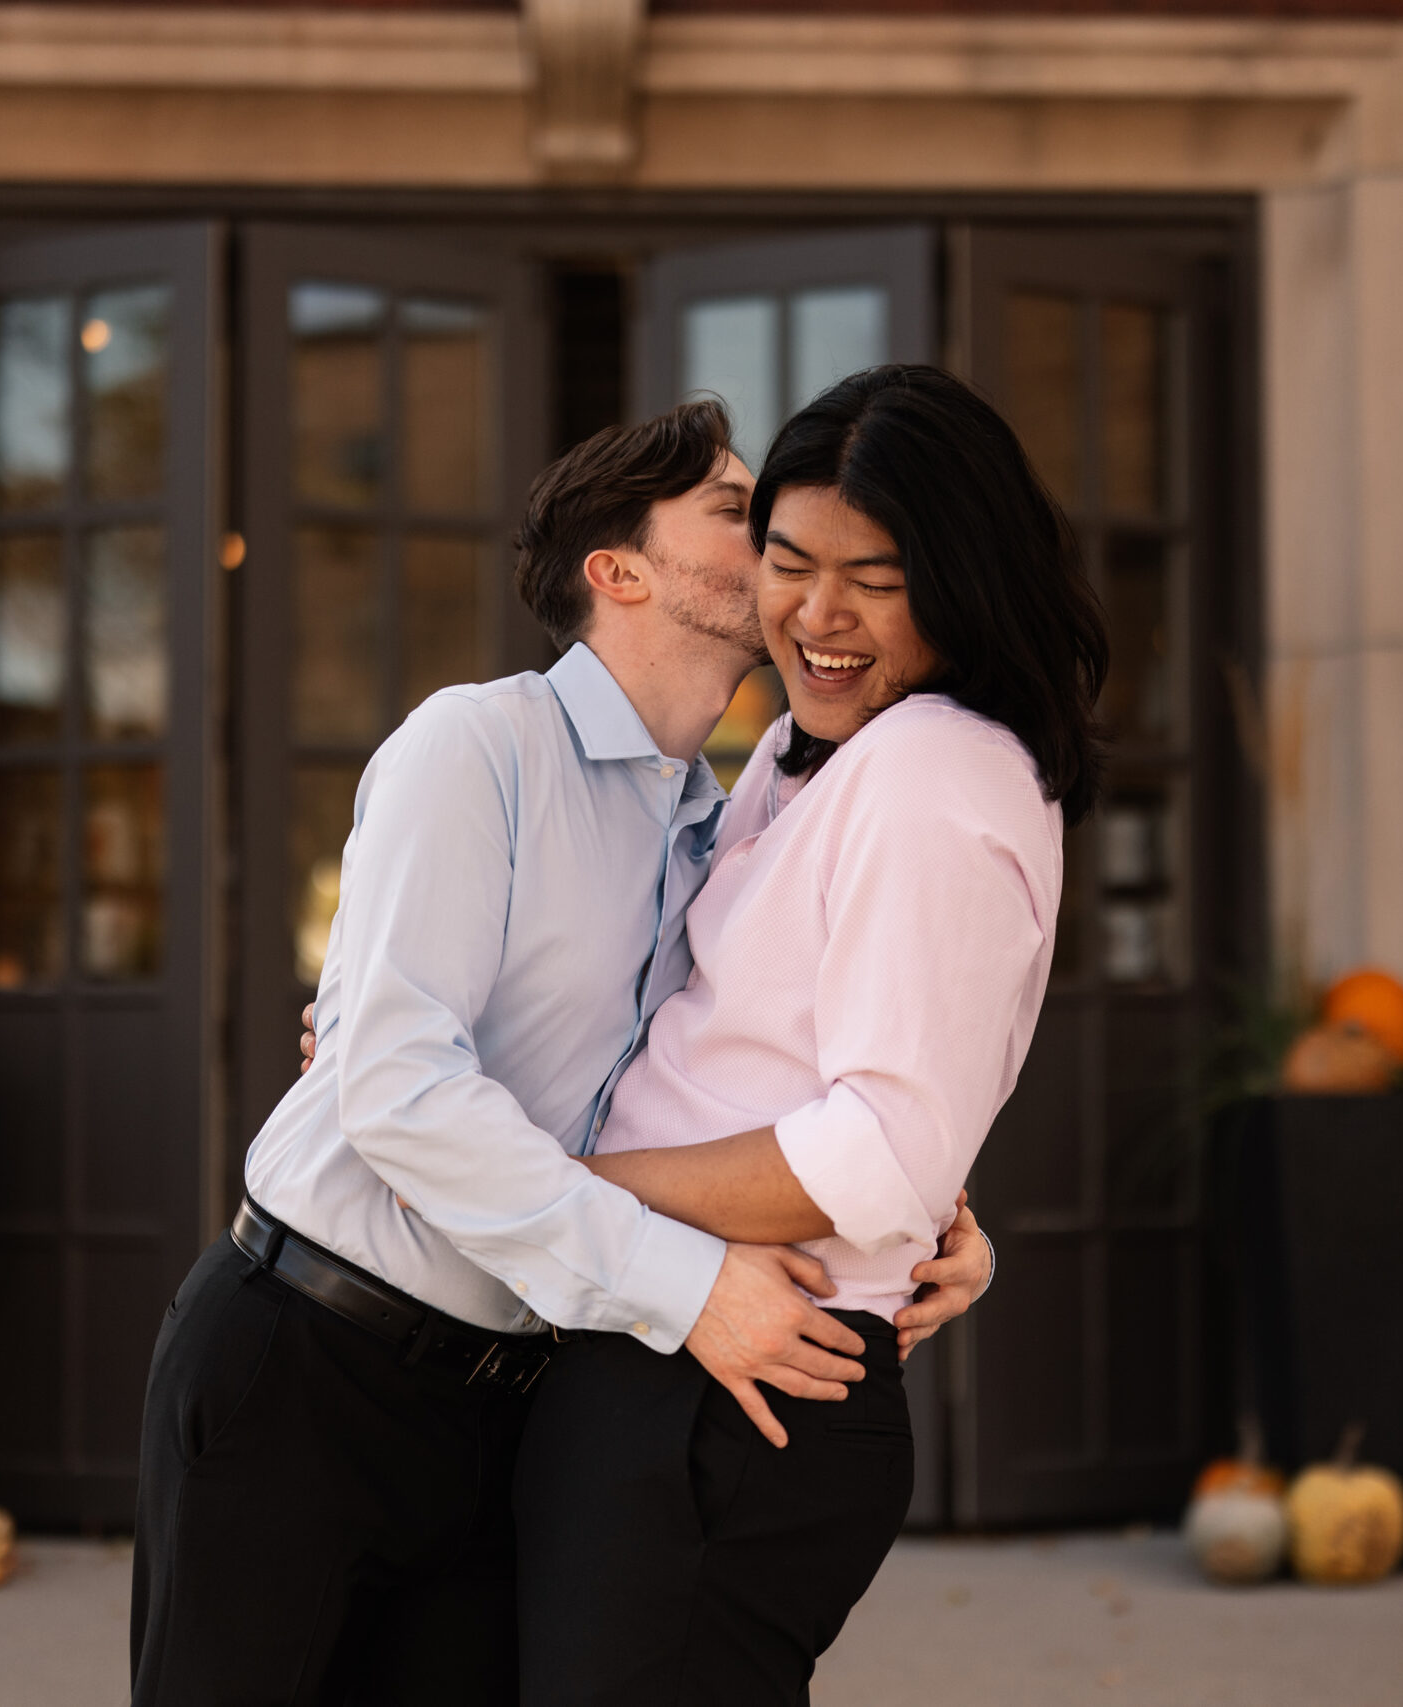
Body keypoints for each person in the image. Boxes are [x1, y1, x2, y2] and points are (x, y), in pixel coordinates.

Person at [127, 399, 995, 1707]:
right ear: (619, 569)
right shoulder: (477, 744)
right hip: (309, 1365)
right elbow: (403, 1095)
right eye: (735, 511)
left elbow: (755, 1076)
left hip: (513, 1404)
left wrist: (932, 1217)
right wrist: (686, 1283)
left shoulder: (729, 828)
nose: (778, 544)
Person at [513, 365, 1107, 1704]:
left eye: (876, 578)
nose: (817, 615)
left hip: (741, 1396)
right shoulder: (807, 752)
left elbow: (877, 1157)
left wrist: (555, 1188)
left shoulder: (934, 772)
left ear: (960, 582)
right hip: (682, 1366)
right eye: (786, 561)